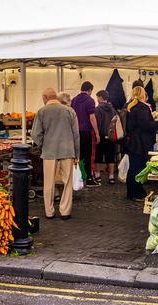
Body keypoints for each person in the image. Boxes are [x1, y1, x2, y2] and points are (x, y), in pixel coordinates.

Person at [32, 88, 80, 220]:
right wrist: (77, 154)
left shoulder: (42, 111)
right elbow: (76, 135)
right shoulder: (69, 111)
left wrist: (43, 144)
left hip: (49, 152)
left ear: (44, 97)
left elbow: (35, 134)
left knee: (48, 183)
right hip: (68, 150)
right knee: (67, 182)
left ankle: (49, 211)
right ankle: (65, 211)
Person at [125, 86, 158, 201]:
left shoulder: (132, 107)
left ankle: (134, 192)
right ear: (143, 95)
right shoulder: (142, 108)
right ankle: (135, 193)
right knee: (137, 169)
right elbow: (146, 125)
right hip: (140, 143)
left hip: (133, 142)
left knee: (134, 168)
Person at [71, 81, 100, 187]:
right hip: (86, 132)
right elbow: (92, 118)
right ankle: (88, 179)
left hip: (75, 132)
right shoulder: (90, 100)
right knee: (88, 156)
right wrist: (97, 133)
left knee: (78, 156)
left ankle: (78, 178)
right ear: (89, 90)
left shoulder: (73, 100)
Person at [94, 90, 117, 184]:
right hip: (111, 136)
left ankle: (97, 175)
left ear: (100, 98)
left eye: (97, 97)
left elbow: (97, 123)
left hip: (101, 135)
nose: (97, 99)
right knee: (111, 156)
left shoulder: (97, 109)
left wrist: (97, 134)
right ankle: (111, 177)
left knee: (98, 156)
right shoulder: (113, 109)